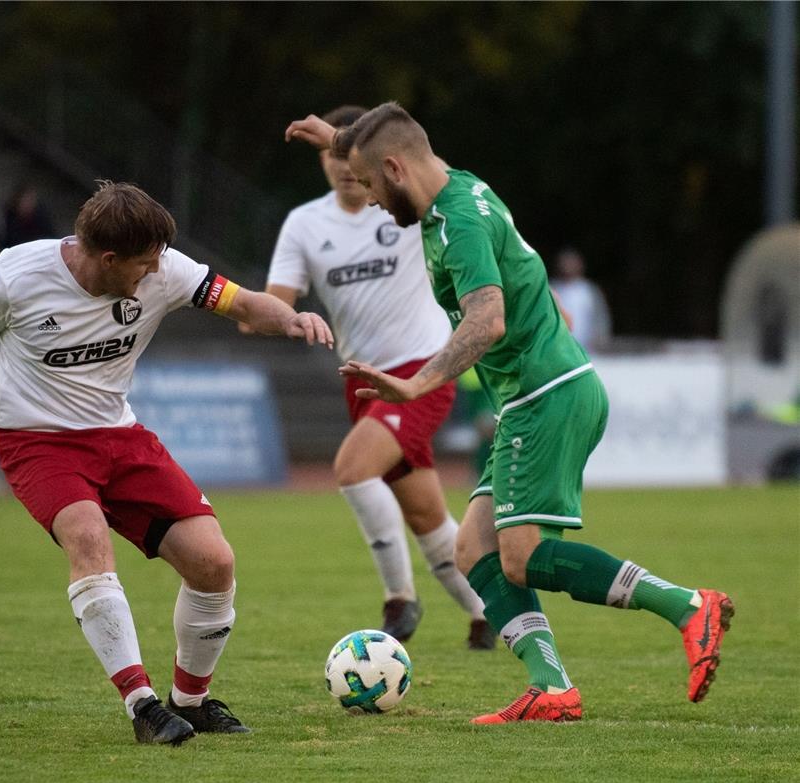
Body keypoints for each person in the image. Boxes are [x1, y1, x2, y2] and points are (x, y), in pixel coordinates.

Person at [285, 103, 734, 724]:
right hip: (545, 390)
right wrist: (337, 138)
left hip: (542, 394)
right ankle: (550, 688)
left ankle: (687, 606)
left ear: (392, 169)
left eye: (369, 185)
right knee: (472, 550)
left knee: (519, 556)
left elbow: (487, 319)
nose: (372, 202)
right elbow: (398, 149)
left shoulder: (456, 225)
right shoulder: (459, 184)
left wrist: (417, 385)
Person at [0, 180, 334, 745]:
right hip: (36, 440)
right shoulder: (13, 276)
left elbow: (242, 302)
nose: (153, 273)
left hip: (120, 437)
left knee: (214, 563)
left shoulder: (164, 268)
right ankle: (141, 705)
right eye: (142, 264)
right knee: (89, 540)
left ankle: (191, 701)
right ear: (109, 259)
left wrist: (289, 318)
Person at [245, 105, 494, 649]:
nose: (338, 166)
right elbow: (275, 303)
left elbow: (440, 172)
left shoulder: (403, 205)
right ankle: (489, 612)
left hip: (423, 369)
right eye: (327, 156)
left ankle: (399, 599)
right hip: (360, 380)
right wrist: (251, 311)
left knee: (353, 468)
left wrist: (339, 138)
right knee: (427, 515)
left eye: (346, 154)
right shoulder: (304, 224)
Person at [549, 247, 612, 352]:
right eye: (565, 263)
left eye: (572, 263)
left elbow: (601, 317)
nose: (568, 267)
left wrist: (601, 339)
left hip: (589, 349)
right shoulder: (552, 289)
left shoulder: (589, 290)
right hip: (559, 349)